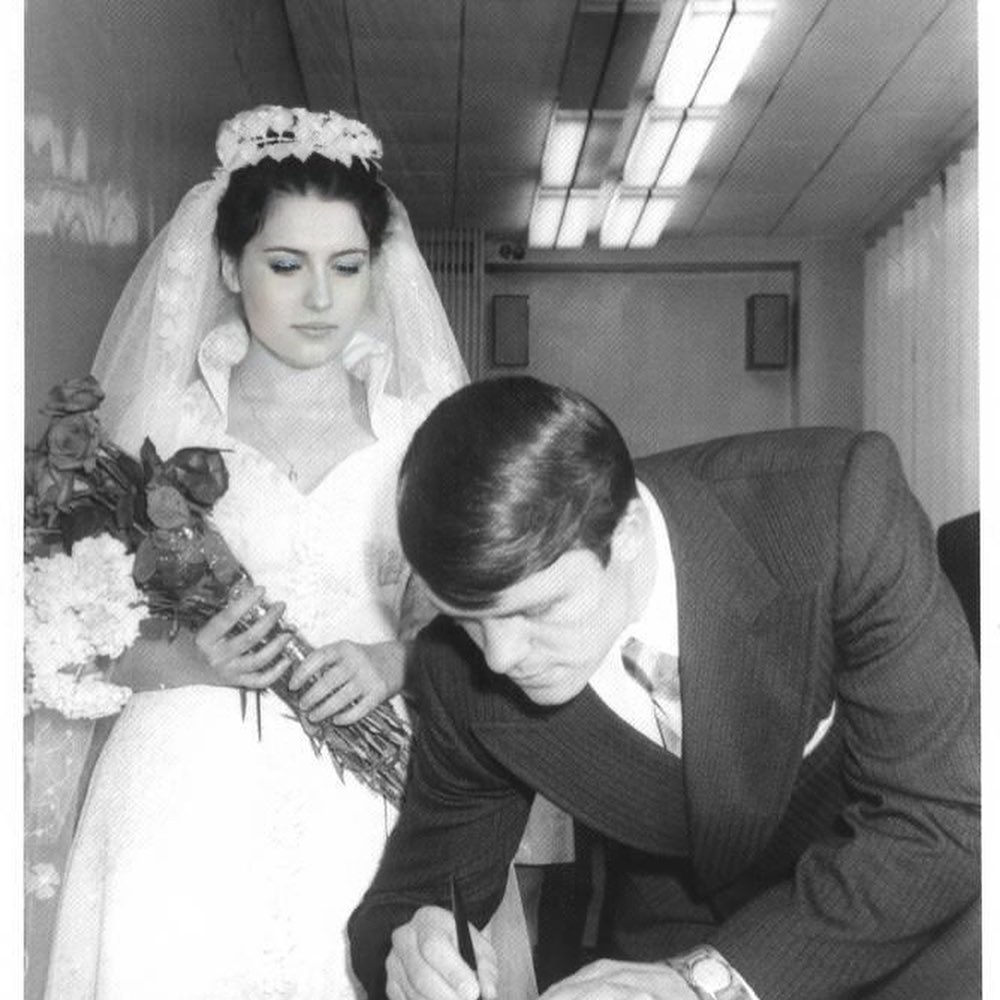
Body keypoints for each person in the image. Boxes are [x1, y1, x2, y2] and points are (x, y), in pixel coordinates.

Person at [349, 376, 980, 1000]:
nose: (500, 657)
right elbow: (411, 894)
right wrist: (412, 947)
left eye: (536, 611)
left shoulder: (836, 506)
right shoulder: (456, 669)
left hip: (916, 930)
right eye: (466, 619)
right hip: (670, 935)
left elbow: (944, 820)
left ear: (625, 534)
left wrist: (706, 980)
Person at [37, 105, 471, 1000]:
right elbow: (72, 635)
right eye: (286, 264)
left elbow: (485, 628)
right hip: (182, 801)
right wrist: (186, 657)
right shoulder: (160, 427)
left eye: (346, 266)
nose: (320, 298)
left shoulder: (424, 435)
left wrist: (395, 660)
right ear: (232, 267)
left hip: (368, 802)